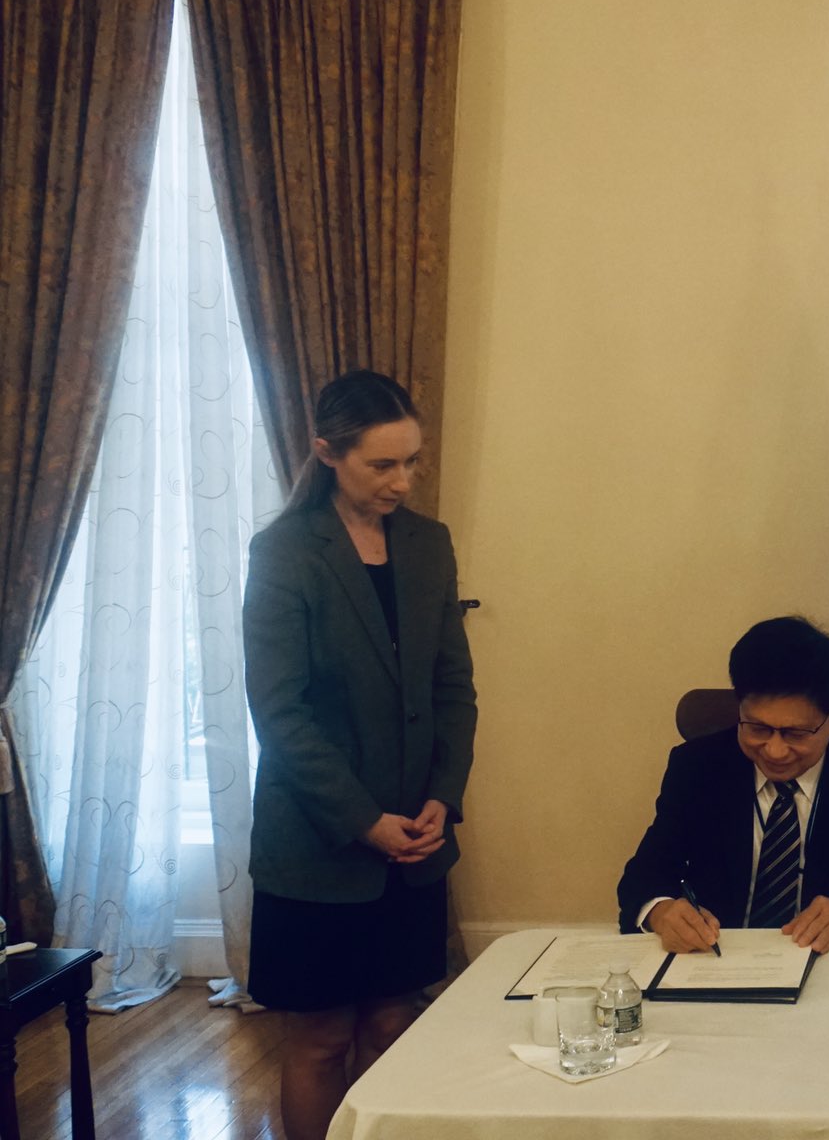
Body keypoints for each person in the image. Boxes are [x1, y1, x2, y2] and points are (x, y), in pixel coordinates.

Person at [242, 370, 478, 1140]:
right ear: (327, 453)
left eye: (412, 461)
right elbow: (279, 713)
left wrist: (443, 795)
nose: (403, 481)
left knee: (392, 1023)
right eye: (383, 464)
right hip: (316, 846)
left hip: (414, 842)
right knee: (320, 1038)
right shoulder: (284, 552)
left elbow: (454, 689)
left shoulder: (429, 544)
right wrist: (363, 821)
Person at [617, 616, 829, 956]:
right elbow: (643, 877)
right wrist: (661, 912)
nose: (775, 751)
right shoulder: (697, 768)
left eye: (796, 733)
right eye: (758, 729)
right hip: (717, 961)